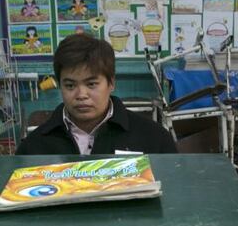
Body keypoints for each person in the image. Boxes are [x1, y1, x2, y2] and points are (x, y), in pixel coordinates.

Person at [16, 35, 177, 155]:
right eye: (70, 85)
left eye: (91, 84)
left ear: (111, 83)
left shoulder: (154, 139)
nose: (81, 95)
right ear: (60, 86)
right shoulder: (33, 147)